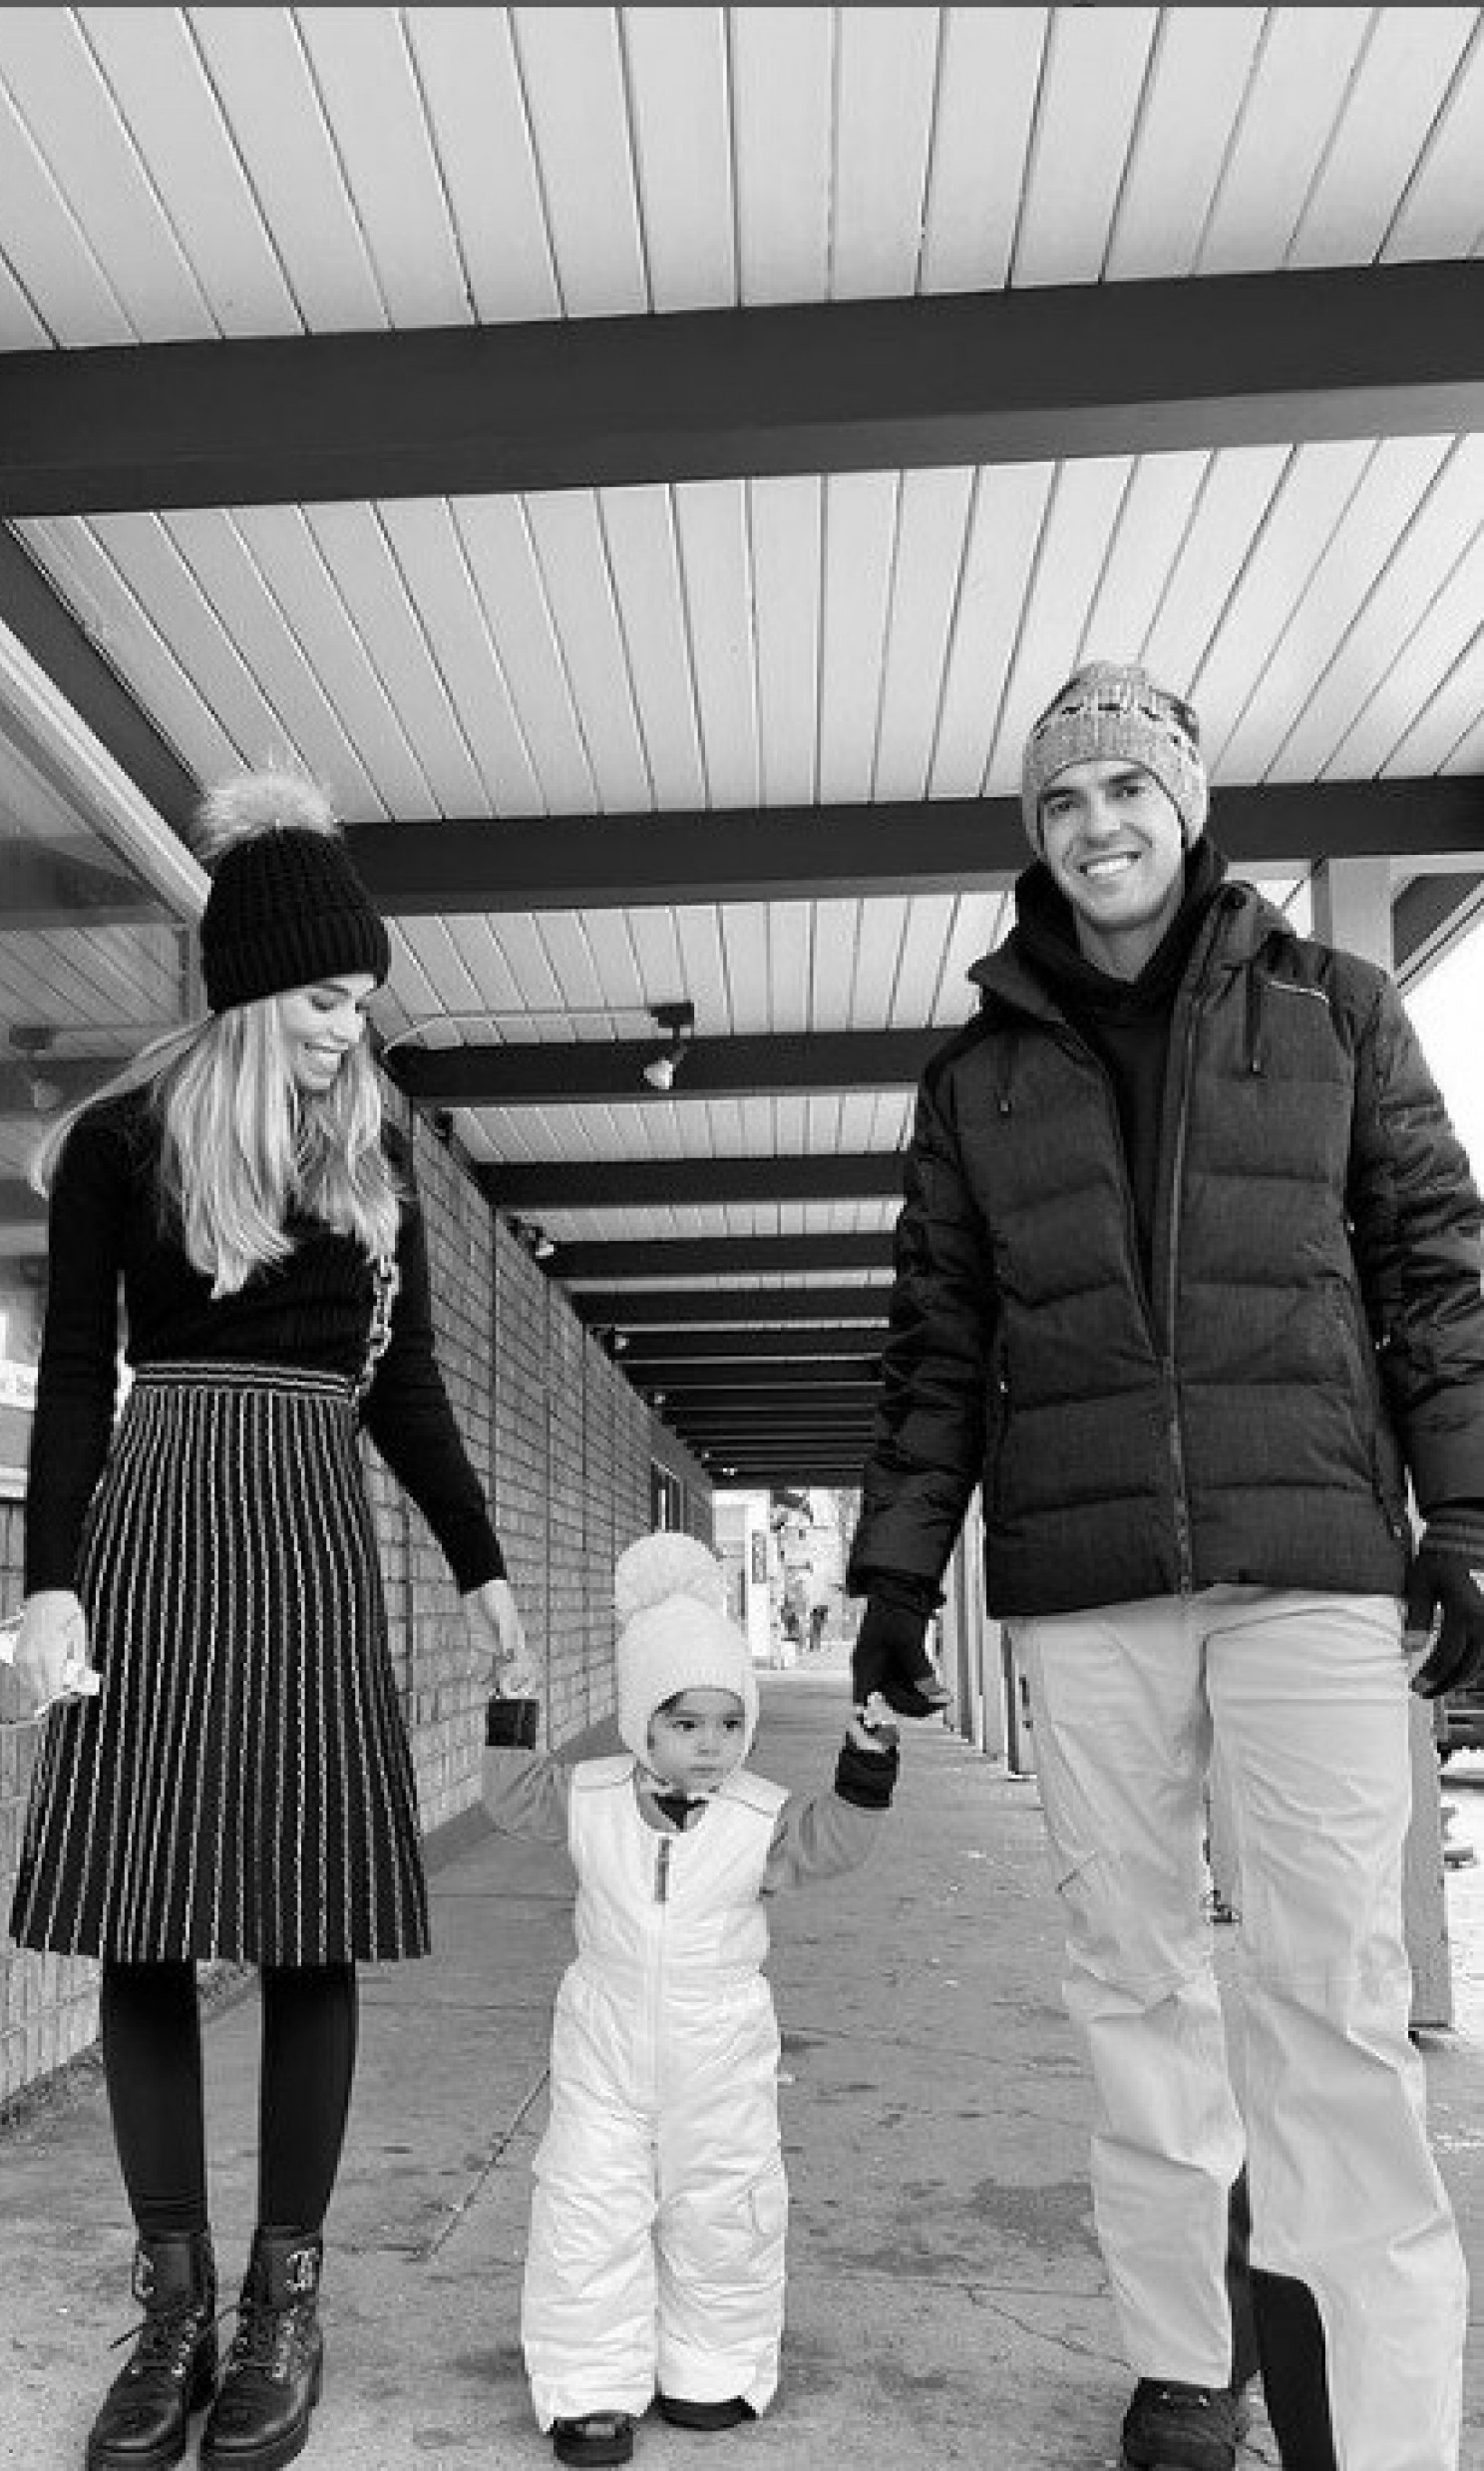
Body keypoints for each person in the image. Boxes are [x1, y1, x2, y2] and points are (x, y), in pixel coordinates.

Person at [847, 660, 1484, 2471]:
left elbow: (1438, 1274)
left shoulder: (1339, 1010)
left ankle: (1375, 2426)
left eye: (1127, 789)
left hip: (1311, 1562)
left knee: (1332, 1998)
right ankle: (1190, 2355)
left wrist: (1474, 1521)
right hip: (1092, 1578)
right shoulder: (979, 1074)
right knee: (1130, 1983)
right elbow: (937, 1339)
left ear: (1191, 806)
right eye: (1061, 803)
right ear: (1035, 840)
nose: (1098, 826)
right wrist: (900, 1573)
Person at [8, 768, 532, 2471]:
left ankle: (284, 2300)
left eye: (363, 1003)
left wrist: (487, 1571)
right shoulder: (117, 1147)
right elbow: (76, 1376)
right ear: (246, 989)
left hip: (308, 1530)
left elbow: (421, 1396)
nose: (343, 1030)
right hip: (156, 1517)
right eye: (322, 998)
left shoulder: (375, 1156)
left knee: (310, 1915)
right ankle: (172, 2301)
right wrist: (49, 1579)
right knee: (140, 1914)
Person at [482, 1531, 899, 2467]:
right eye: (685, 1723)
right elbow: (513, 1801)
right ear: (642, 1724)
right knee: (590, 2203)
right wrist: (513, 1703)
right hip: (605, 2041)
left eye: (727, 1723)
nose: (711, 1745)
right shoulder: (586, 1798)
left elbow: (838, 1842)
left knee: (723, 2201)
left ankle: (712, 2364)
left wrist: (866, 1762)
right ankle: (590, 2385)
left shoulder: (759, 1818)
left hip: (719, 2046)